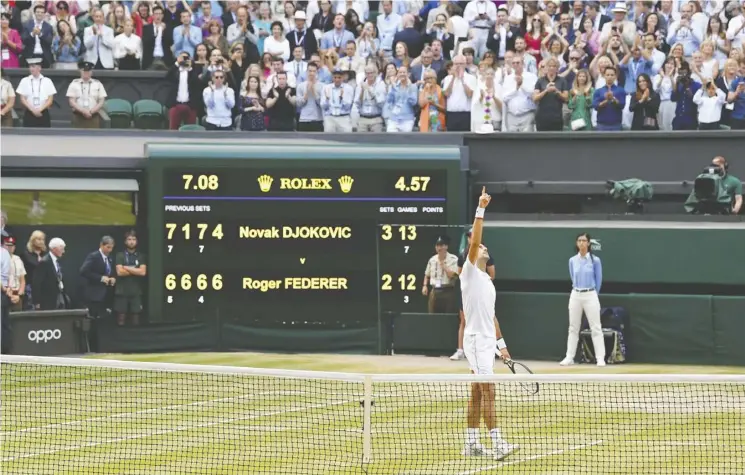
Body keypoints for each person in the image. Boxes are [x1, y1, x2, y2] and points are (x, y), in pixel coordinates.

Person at [460, 187, 518, 461]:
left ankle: (471, 442)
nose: (482, 247)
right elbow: (473, 243)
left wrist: (502, 345)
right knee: (488, 390)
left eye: (484, 247)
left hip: (486, 341)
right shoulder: (469, 272)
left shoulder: (488, 283)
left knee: (477, 391)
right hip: (474, 340)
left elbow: (491, 316)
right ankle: (498, 443)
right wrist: (481, 208)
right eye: (479, 246)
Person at [560, 233, 605, 367]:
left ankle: (600, 358)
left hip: (590, 294)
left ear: (589, 243)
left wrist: (593, 294)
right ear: (576, 243)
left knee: (596, 327)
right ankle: (569, 357)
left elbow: (599, 279)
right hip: (575, 294)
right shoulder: (572, 260)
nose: (581, 243)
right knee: (573, 327)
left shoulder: (595, 260)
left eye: (584, 241)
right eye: (579, 240)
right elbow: (572, 276)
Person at [451, 227, 495, 361]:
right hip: (468, 297)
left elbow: (491, 274)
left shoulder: (487, 281)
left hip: (481, 298)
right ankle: (460, 350)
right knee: (463, 321)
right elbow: (460, 275)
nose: (471, 238)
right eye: (469, 236)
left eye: (473, 235)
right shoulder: (464, 259)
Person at [114, 230, 146, 326]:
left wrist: (126, 267)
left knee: (135, 317)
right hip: (122, 291)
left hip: (136, 291)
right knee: (121, 317)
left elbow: (142, 272)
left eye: (133, 239)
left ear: (136, 241)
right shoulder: (120, 255)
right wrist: (135, 269)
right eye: (129, 239)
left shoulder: (141, 256)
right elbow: (119, 272)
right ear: (125, 241)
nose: (131, 241)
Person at [80, 236, 116, 320]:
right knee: (94, 318)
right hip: (94, 294)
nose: (110, 250)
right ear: (101, 245)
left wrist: (112, 278)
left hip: (105, 294)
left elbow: (109, 271)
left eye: (111, 248)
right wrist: (100, 278)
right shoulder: (94, 256)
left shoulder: (110, 258)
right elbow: (83, 271)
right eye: (108, 247)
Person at [15, 56, 56, 128]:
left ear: (39, 68)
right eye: (30, 66)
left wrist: (40, 109)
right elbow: (22, 98)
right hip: (29, 112)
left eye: (33, 66)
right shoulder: (24, 80)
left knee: (44, 135)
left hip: (43, 112)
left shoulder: (47, 81)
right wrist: (32, 110)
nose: (31, 69)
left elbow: (50, 99)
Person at [422, 236, 458, 314]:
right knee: (432, 315)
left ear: (446, 247)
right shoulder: (432, 260)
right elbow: (427, 275)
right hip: (434, 291)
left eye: (441, 245)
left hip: (447, 290)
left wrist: (442, 263)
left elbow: (453, 275)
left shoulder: (453, 259)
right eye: (437, 246)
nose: (439, 248)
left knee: (447, 315)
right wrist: (424, 285)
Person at [32, 237, 70, 310]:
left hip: (59, 297)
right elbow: (36, 283)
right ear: (54, 249)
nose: (63, 251)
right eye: (62, 249)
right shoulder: (44, 262)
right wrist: (37, 302)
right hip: (47, 301)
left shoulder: (56, 261)